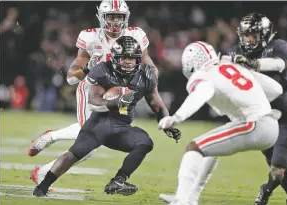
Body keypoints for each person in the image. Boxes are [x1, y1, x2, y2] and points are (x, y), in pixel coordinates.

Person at [27, 0, 159, 185]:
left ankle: (42, 172)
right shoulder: (90, 37)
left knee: (91, 146)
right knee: (88, 138)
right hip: (92, 89)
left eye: (119, 17)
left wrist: (151, 77)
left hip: (118, 92)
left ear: (126, 17)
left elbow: (148, 63)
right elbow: (73, 74)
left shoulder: (135, 34)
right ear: (101, 17)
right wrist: (85, 70)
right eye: (111, 17)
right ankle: (50, 139)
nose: (115, 22)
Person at [32, 36, 181, 197]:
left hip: (122, 127)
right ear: (116, 57)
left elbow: (156, 103)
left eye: (132, 58)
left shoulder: (145, 74)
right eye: (124, 57)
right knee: (76, 153)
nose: (128, 62)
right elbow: (93, 100)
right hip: (100, 123)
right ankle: (43, 185)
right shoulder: (103, 69)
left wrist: (167, 123)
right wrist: (117, 101)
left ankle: (118, 180)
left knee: (144, 142)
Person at [158, 41, 283, 205]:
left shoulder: (204, 73)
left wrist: (176, 117)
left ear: (191, 63)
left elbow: (201, 94)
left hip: (254, 124)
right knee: (210, 149)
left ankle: (182, 201)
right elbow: (276, 90)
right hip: (271, 123)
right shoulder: (231, 66)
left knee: (193, 148)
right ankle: (191, 197)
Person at [230, 12, 287, 205]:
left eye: (253, 35)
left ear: (264, 34)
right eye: (246, 34)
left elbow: (279, 64)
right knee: (277, 167)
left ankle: (265, 192)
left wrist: (254, 64)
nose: (248, 39)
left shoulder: (278, 46)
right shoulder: (237, 51)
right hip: (263, 119)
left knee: (277, 169)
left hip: (286, 117)